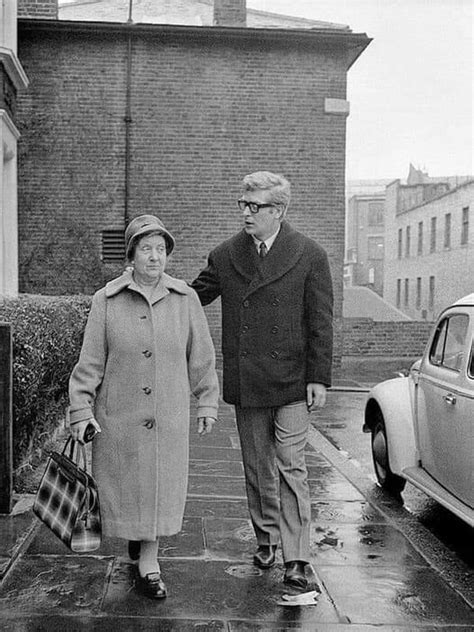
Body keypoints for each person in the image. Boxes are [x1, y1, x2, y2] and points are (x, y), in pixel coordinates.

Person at [191, 171, 333, 591]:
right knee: (257, 468)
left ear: (279, 211)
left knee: (292, 467)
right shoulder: (226, 255)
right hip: (249, 378)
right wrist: (150, 284)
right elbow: (194, 294)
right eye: (243, 205)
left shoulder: (309, 254)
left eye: (256, 207)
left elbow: (320, 321)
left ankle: (297, 557)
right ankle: (266, 538)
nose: (247, 214)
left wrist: (319, 378)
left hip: (292, 379)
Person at [68, 215, 219, 600]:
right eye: (146, 249)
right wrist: (81, 410)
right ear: (132, 254)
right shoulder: (106, 301)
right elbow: (90, 362)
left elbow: (201, 358)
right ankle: (136, 539)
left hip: (167, 417)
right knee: (125, 489)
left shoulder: (185, 299)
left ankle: (149, 561)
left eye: (161, 249)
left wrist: (207, 402)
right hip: (119, 416)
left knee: (157, 489)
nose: (155, 257)